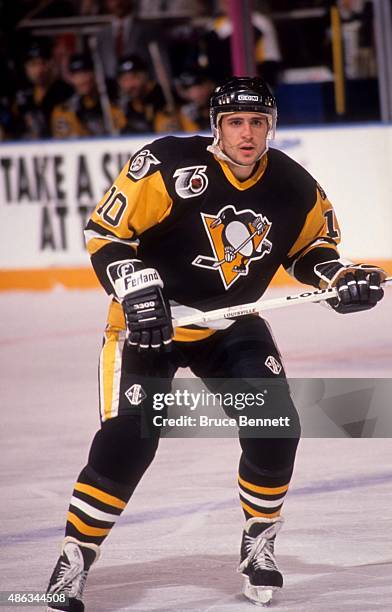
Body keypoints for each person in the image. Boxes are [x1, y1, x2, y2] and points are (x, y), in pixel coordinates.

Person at [45, 76, 385, 610]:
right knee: (129, 439)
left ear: (270, 127)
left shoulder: (295, 187)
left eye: (257, 122)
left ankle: (259, 542)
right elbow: (105, 234)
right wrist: (136, 288)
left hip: (230, 324)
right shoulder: (166, 165)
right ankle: (75, 556)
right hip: (149, 326)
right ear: (216, 127)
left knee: (275, 424)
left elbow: (311, 251)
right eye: (235, 122)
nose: (247, 134)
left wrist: (338, 278)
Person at [51, 53, 124, 138]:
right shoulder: (63, 111)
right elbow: (62, 143)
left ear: (95, 74)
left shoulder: (114, 105)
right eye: (76, 75)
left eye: (85, 73)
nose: (82, 80)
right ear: (71, 79)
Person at [15, 38, 73, 140]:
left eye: (42, 63)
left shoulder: (65, 91)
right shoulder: (23, 96)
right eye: (33, 64)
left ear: (51, 63)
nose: (39, 70)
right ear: (25, 68)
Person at [116, 54, 180, 134]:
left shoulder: (164, 97)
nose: (130, 84)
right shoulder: (126, 105)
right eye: (124, 80)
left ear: (145, 75)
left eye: (135, 77)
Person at [175, 67, 216, 132]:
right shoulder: (184, 113)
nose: (197, 93)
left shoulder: (220, 107)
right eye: (189, 89)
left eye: (200, 86)